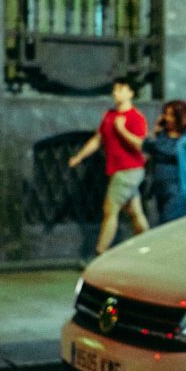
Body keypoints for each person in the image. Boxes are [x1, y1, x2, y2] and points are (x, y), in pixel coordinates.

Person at [68, 76, 150, 256]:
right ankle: (149, 247)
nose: (115, 93)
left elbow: (140, 145)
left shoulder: (135, 117)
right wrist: (79, 157)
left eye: (120, 89)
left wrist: (122, 130)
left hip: (129, 170)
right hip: (118, 170)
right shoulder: (109, 115)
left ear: (131, 93)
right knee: (135, 212)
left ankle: (100, 253)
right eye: (114, 89)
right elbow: (98, 139)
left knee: (110, 210)